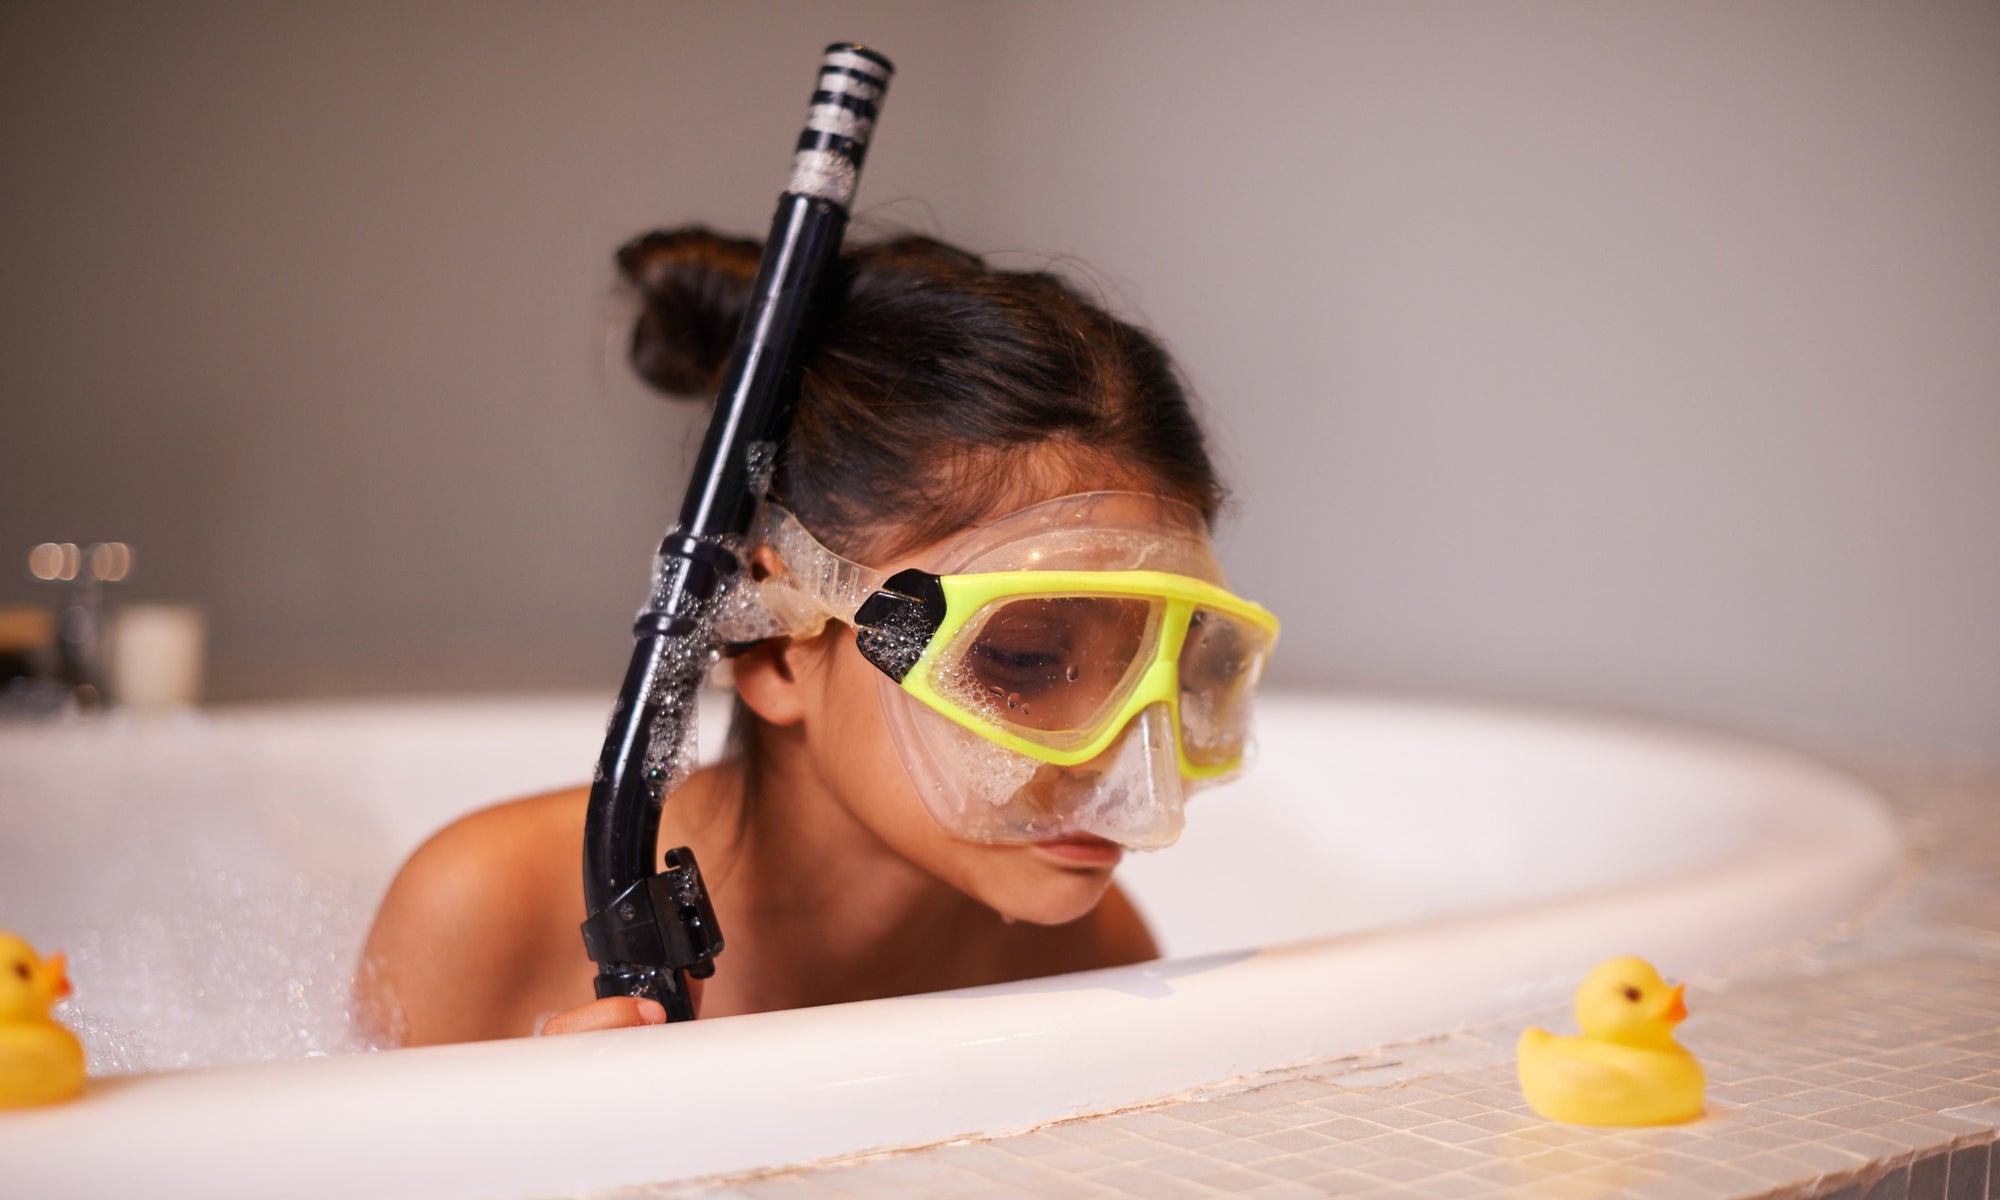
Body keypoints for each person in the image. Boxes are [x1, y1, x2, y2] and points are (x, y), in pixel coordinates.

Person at [355, 229, 1278, 1046]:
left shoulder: (1086, 950)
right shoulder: (484, 916)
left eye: (1182, 668)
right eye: (1025, 659)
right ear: (775, 642)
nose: (1125, 758)